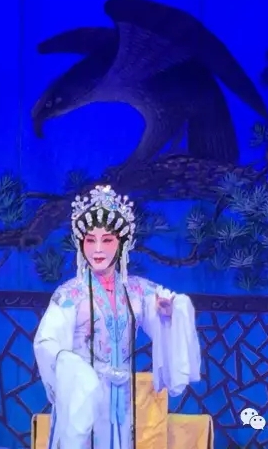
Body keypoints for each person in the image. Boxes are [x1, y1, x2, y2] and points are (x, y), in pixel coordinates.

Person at [33, 185, 201, 449]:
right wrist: (72, 367)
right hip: (83, 396)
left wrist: (169, 314)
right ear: (81, 244)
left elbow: (168, 309)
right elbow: (46, 342)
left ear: (122, 243)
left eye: (107, 240)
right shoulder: (70, 295)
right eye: (90, 240)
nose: (98, 249)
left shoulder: (136, 290)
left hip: (120, 398)